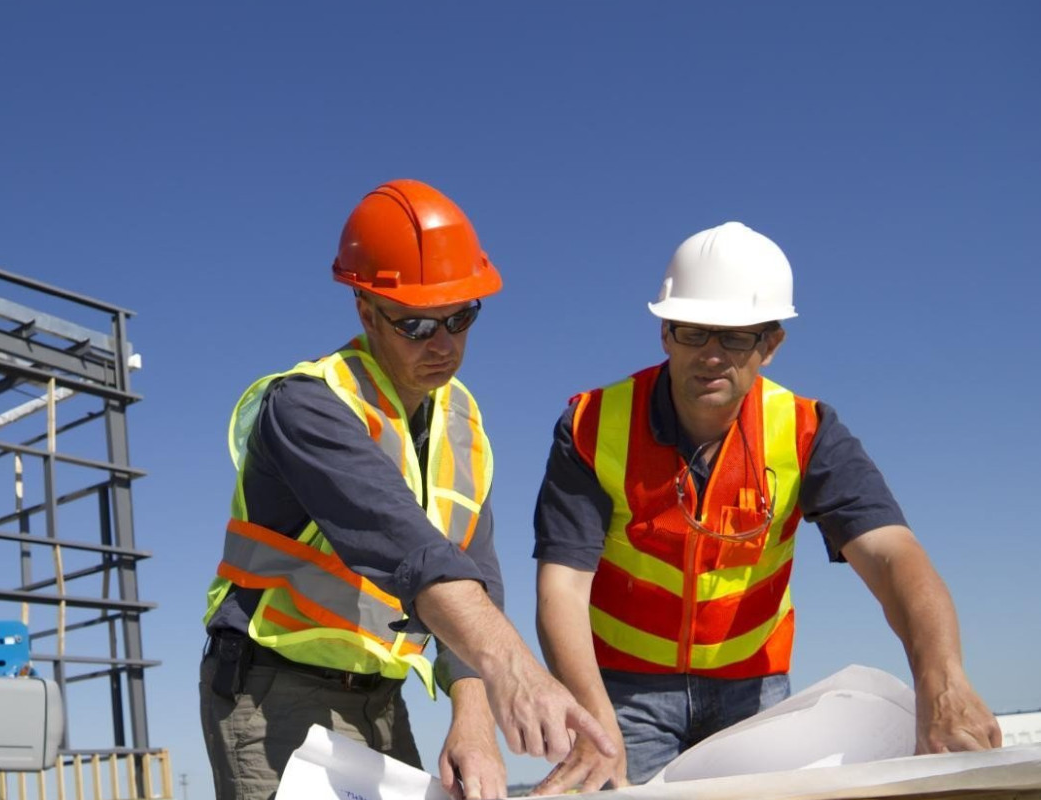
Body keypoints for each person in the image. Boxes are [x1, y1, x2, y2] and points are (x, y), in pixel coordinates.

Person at [529, 221, 1002, 793]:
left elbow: (892, 556)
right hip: (620, 690)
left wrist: (943, 680)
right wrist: (591, 717)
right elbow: (562, 588)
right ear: (664, 333)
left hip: (752, 689)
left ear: (770, 345)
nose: (710, 355)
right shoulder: (591, 425)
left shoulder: (808, 432)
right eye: (693, 331)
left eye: (734, 337)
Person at [201, 179, 612, 800]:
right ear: (367, 312)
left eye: (461, 317)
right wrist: (516, 670)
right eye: (417, 324)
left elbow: (474, 573)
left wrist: (473, 719)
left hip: (380, 701)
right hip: (271, 692)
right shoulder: (308, 406)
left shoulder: (462, 423)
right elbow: (411, 552)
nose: (443, 345)